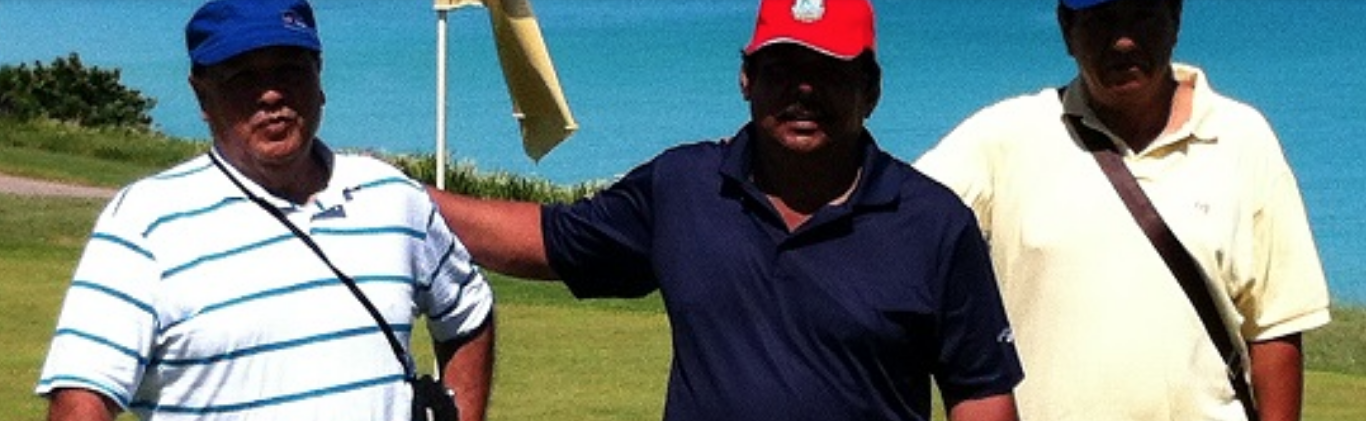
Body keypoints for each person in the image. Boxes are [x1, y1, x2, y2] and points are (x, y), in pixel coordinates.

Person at [427, 0, 1023, 420]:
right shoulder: (684, 187)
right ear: (746, 79)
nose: (803, 91)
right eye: (782, 70)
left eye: (828, 72)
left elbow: (980, 393)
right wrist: (402, 196)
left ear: (870, 89)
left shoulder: (933, 222)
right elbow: (547, 238)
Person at [33, 0, 494, 420]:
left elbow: (468, 311)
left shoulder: (391, 196)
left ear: (318, 77)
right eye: (242, 76)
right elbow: (81, 399)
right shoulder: (144, 221)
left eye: (289, 70)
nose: (271, 94)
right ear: (202, 96)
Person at [914, 0, 1332, 420]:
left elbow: (1276, 326)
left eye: (1143, 15)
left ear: (1175, 20)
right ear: (1067, 30)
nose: (1124, 41)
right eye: (1101, 21)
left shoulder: (1241, 137)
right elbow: (902, 223)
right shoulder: (1005, 138)